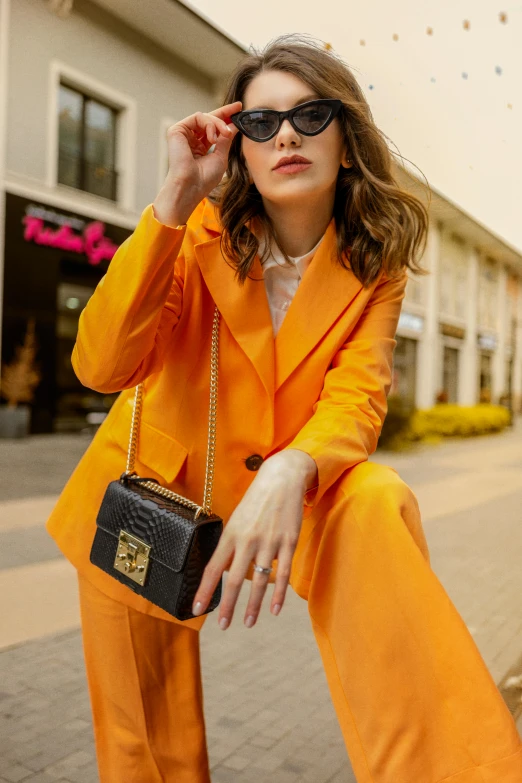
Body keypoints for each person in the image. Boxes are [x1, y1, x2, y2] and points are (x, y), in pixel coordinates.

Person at [46, 33, 522, 783]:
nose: (287, 134)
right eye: (261, 124)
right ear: (242, 150)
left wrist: (294, 466)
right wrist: (171, 204)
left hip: (291, 495)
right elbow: (100, 366)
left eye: (310, 114)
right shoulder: (195, 232)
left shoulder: (376, 266)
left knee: (375, 497)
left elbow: (357, 397)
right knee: (146, 750)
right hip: (147, 499)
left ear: (346, 136)